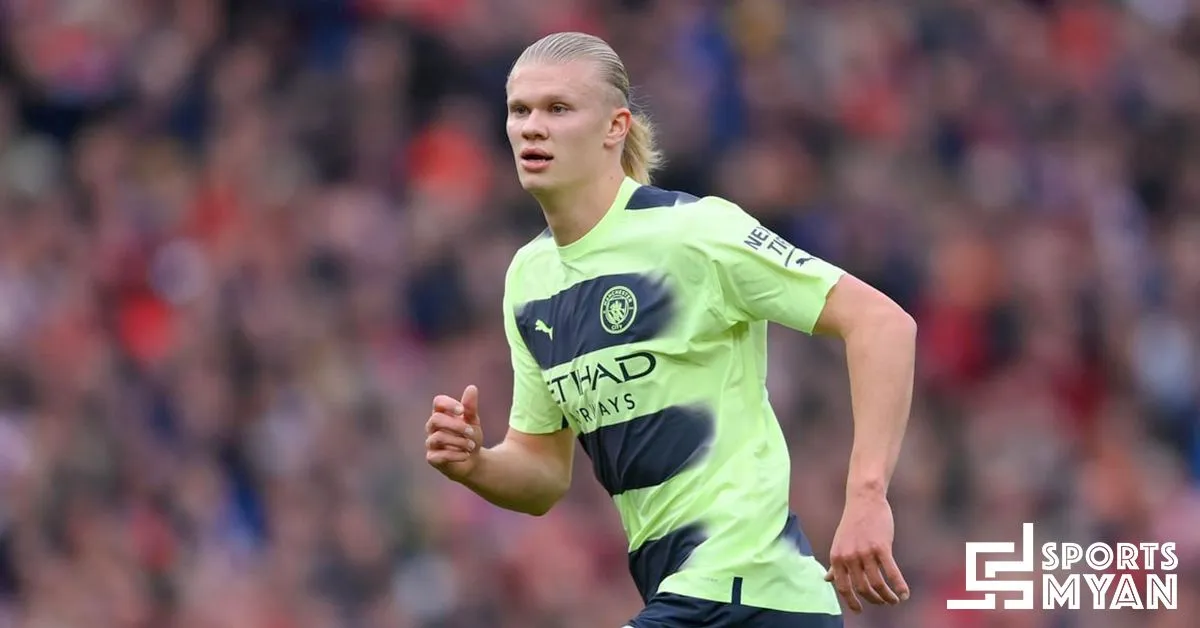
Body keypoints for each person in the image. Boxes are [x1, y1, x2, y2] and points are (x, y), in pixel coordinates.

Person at [424, 31, 916, 628]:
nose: (533, 128)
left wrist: (866, 497)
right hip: (698, 597)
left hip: (745, 592)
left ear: (615, 127)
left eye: (558, 109)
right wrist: (476, 464)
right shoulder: (530, 279)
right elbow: (543, 474)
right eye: (519, 110)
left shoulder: (692, 232)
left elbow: (881, 323)